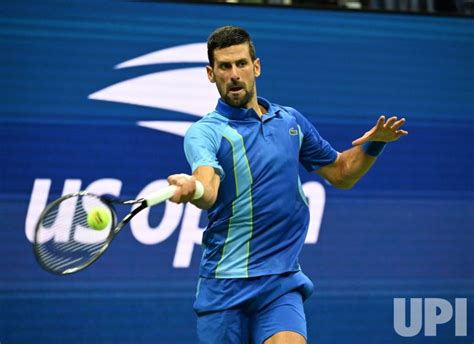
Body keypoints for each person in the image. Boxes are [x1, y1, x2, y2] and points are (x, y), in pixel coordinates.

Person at [166, 26, 408, 344]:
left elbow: (341, 173)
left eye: (241, 63)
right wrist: (194, 188)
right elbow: (208, 187)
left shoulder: (290, 121)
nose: (234, 74)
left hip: (280, 281)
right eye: (224, 67)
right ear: (211, 74)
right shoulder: (205, 132)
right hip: (225, 284)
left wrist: (375, 144)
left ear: (257, 67)